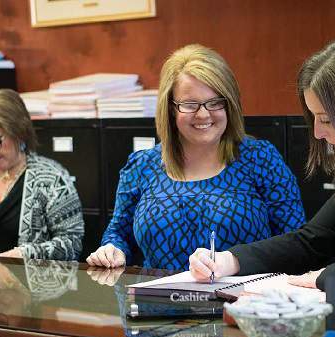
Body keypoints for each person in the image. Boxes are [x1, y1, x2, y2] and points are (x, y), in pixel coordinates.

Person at [87, 44, 305, 270]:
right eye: (189, 104)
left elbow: (294, 244)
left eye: (215, 102)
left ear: (229, 104)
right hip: (156, 301)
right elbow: (118, 233)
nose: (203, 114)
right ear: (170, 109)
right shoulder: (141, 166)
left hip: (239, 301)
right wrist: (112, 249)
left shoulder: (260, 158)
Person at [189, 37, 335, 291]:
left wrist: (327, 274)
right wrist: (229, 260)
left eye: (326, 119)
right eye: (314, 118)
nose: (317, 133)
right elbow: (309, 241)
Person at [0, 89, 84, 260]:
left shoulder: (51, 178)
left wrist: (26, 254)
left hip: (26, 283)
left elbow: (72, 243)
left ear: (18, 131)